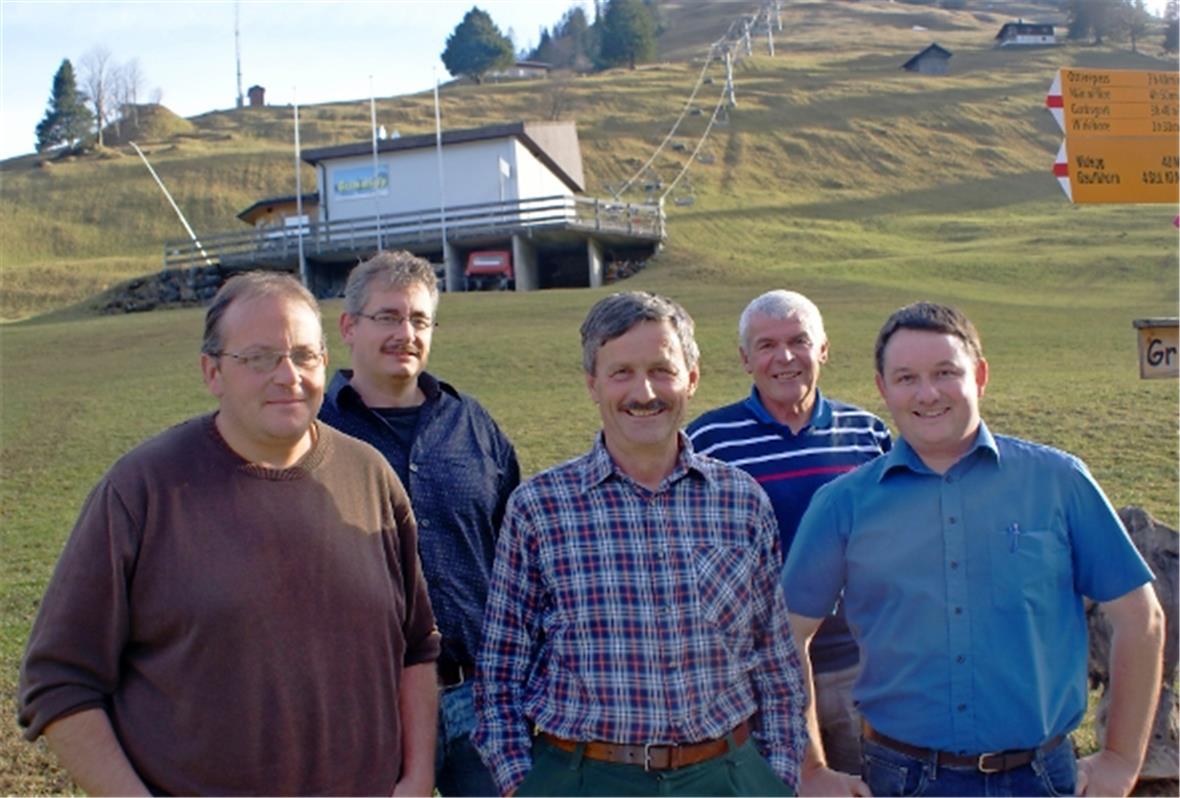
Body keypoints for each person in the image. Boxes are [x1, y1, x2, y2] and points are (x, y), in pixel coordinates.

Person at [18, 271, 441, 796]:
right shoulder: (143, 489)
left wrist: (417, 776)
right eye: (259, 357)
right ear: (212, 372)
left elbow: (417, 649)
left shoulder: (371, 476)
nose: (288, 377)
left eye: (305, 356)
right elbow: (58, 681)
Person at [783, 301, 1165, 797]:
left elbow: (1142, 618)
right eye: (906, 378)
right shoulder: (842, 505)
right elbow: (784, 638)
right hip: (902, 778)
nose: (927, 393)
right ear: (883, 387)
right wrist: (810, 768)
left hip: (1043, 777)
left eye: (946, 372)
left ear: (980, 375)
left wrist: (1120, 758)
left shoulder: (1058, 482)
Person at [473, 290, 807, 797]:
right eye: (621, 372)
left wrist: (775, 777)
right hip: (585, 775)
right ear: (593, 384)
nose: (644, 391)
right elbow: (500, 670)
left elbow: (776, 663)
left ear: (691, 379)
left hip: (724, 774)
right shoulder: (540, 509)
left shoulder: (742, 503)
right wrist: (523, 784)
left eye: (662, 369)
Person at [320, 250, 520, 796]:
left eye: (419, 320)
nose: (404, 333)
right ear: (348, 327)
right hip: (365, 704)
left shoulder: (472, 424)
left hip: (477, 699)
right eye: (387, 317)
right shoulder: (311, 433)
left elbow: (517, 555)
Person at [686, 289, 891, 776]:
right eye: (766, 345)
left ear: (823, 349)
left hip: (855, 668)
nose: (784, 358)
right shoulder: (706, 442)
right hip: (753, 677)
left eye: (799, 341)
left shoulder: (868, 433)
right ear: (744, 359)